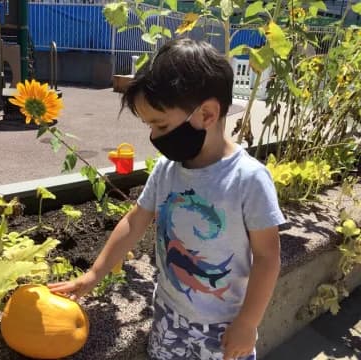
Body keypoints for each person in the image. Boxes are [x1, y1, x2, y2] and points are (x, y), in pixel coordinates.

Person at [48, 38, 285, 360]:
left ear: (207, 114)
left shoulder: (248, 179)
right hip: (168, 314)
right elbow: (135, 220)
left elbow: (268, 257)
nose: (155, 137)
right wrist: (95, 273)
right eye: (150, 126)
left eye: (160, 124)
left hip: (225, 326)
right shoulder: (167, 169)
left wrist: (248, 322)